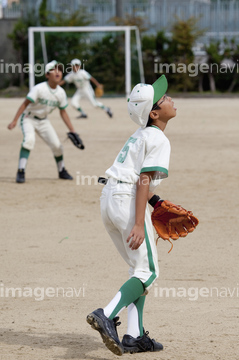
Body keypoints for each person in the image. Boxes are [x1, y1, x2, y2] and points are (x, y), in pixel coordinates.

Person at [86, 75, 177, 355]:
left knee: (137, 270)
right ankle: (107, 313)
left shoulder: (140, 134)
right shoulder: (158, 138)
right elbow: (142, 181)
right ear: (154, 113)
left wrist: (157, 203)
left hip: (109, 200)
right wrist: (140, 221)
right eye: (163, 99)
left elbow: (135, 178)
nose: (170, 98)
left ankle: (134, 335)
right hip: (127, 202)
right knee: (148, 271)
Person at [8, 60, 77, 183]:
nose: (58, 72)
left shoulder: (61, 93)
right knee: (29, 140)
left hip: (44, 121)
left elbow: (63, 112)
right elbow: (25, 104)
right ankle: (21, 171)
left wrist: (72, 129)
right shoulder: (39, 88)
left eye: (60, 70)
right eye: (54, 70)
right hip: (28, 118)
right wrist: (14, 121)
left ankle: (62, 171)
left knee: (57, 146)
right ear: (47, 75)